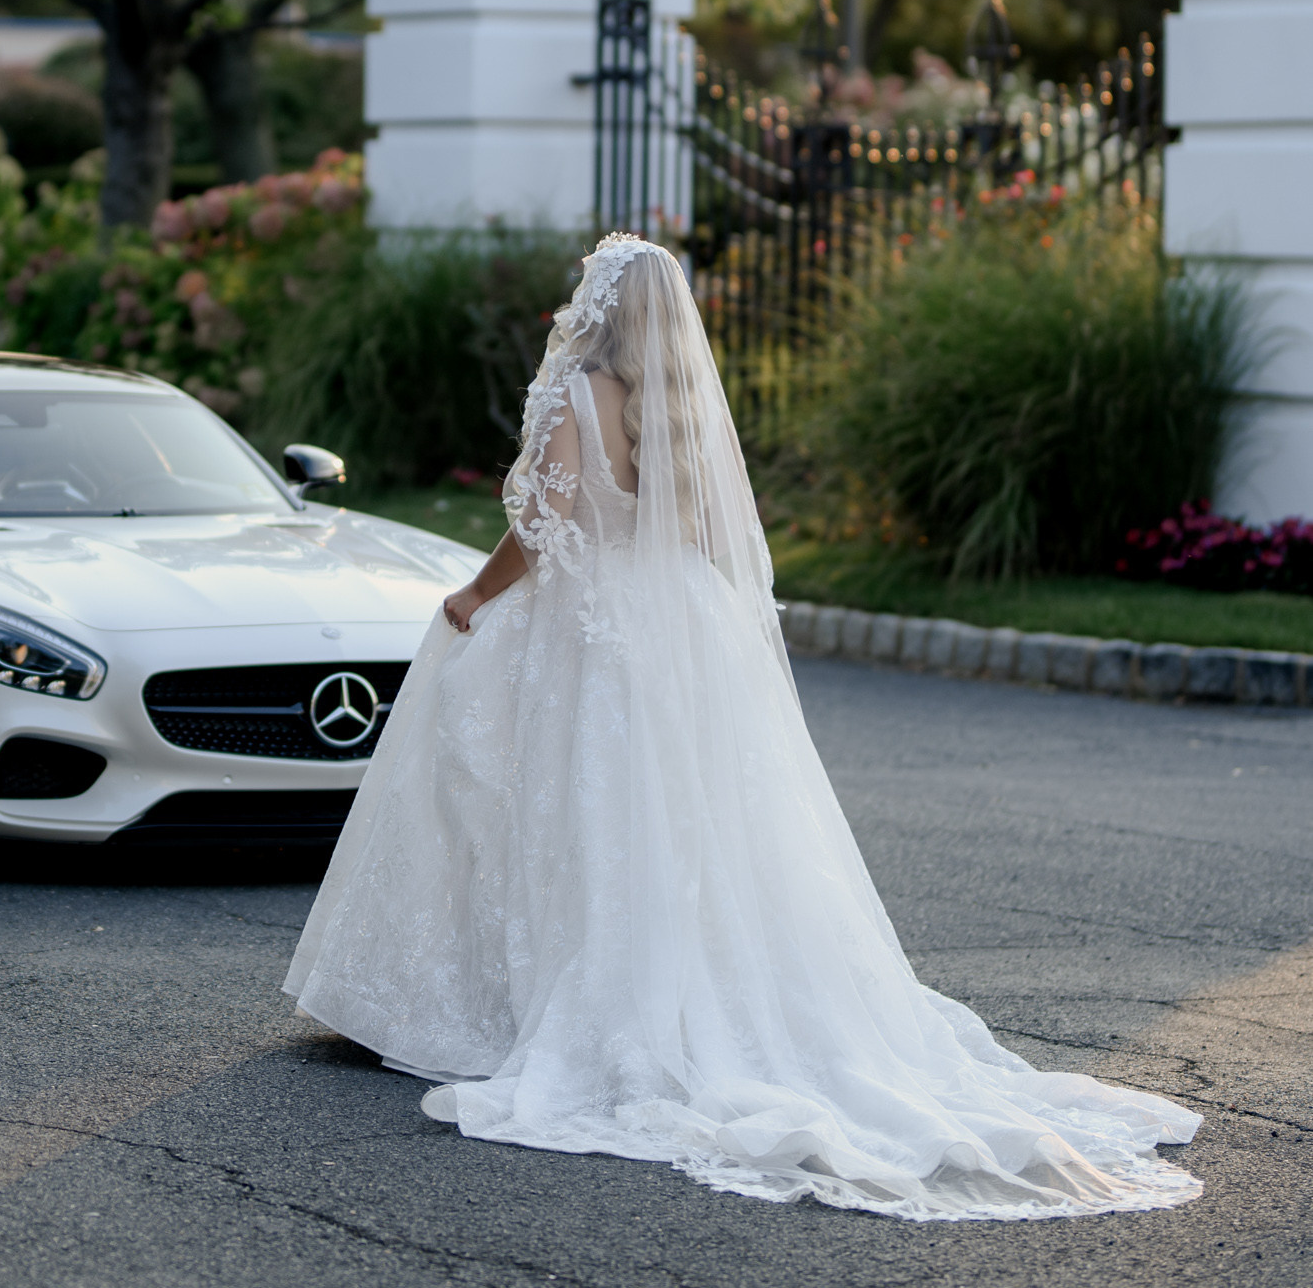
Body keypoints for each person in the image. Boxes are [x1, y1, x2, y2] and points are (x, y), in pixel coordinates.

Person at [286, 233, 1202, 1221]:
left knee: (557, 811)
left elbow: (546, 525)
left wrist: (473, 592)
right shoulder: (674, 406)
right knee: (688, 825)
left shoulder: (575, 391)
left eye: (583, 286)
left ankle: (523, 1003)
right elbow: (700, 533)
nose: (569, 301)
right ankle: (701, 999)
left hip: (587, 629)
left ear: (602, 303)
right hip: (675, 622)